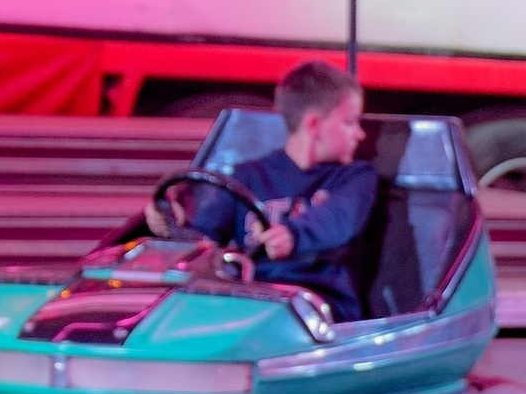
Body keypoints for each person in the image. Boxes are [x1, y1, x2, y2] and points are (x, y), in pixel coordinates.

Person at [158, 59, 379, 317]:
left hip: (323, 306)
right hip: (255, 299)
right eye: (350, 122)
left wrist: (293, 236)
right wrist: (173, 223)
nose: (359, 134)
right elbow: (204, 236)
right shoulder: (247, 177)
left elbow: (340, 218)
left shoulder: (355, 177)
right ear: (314, 125)